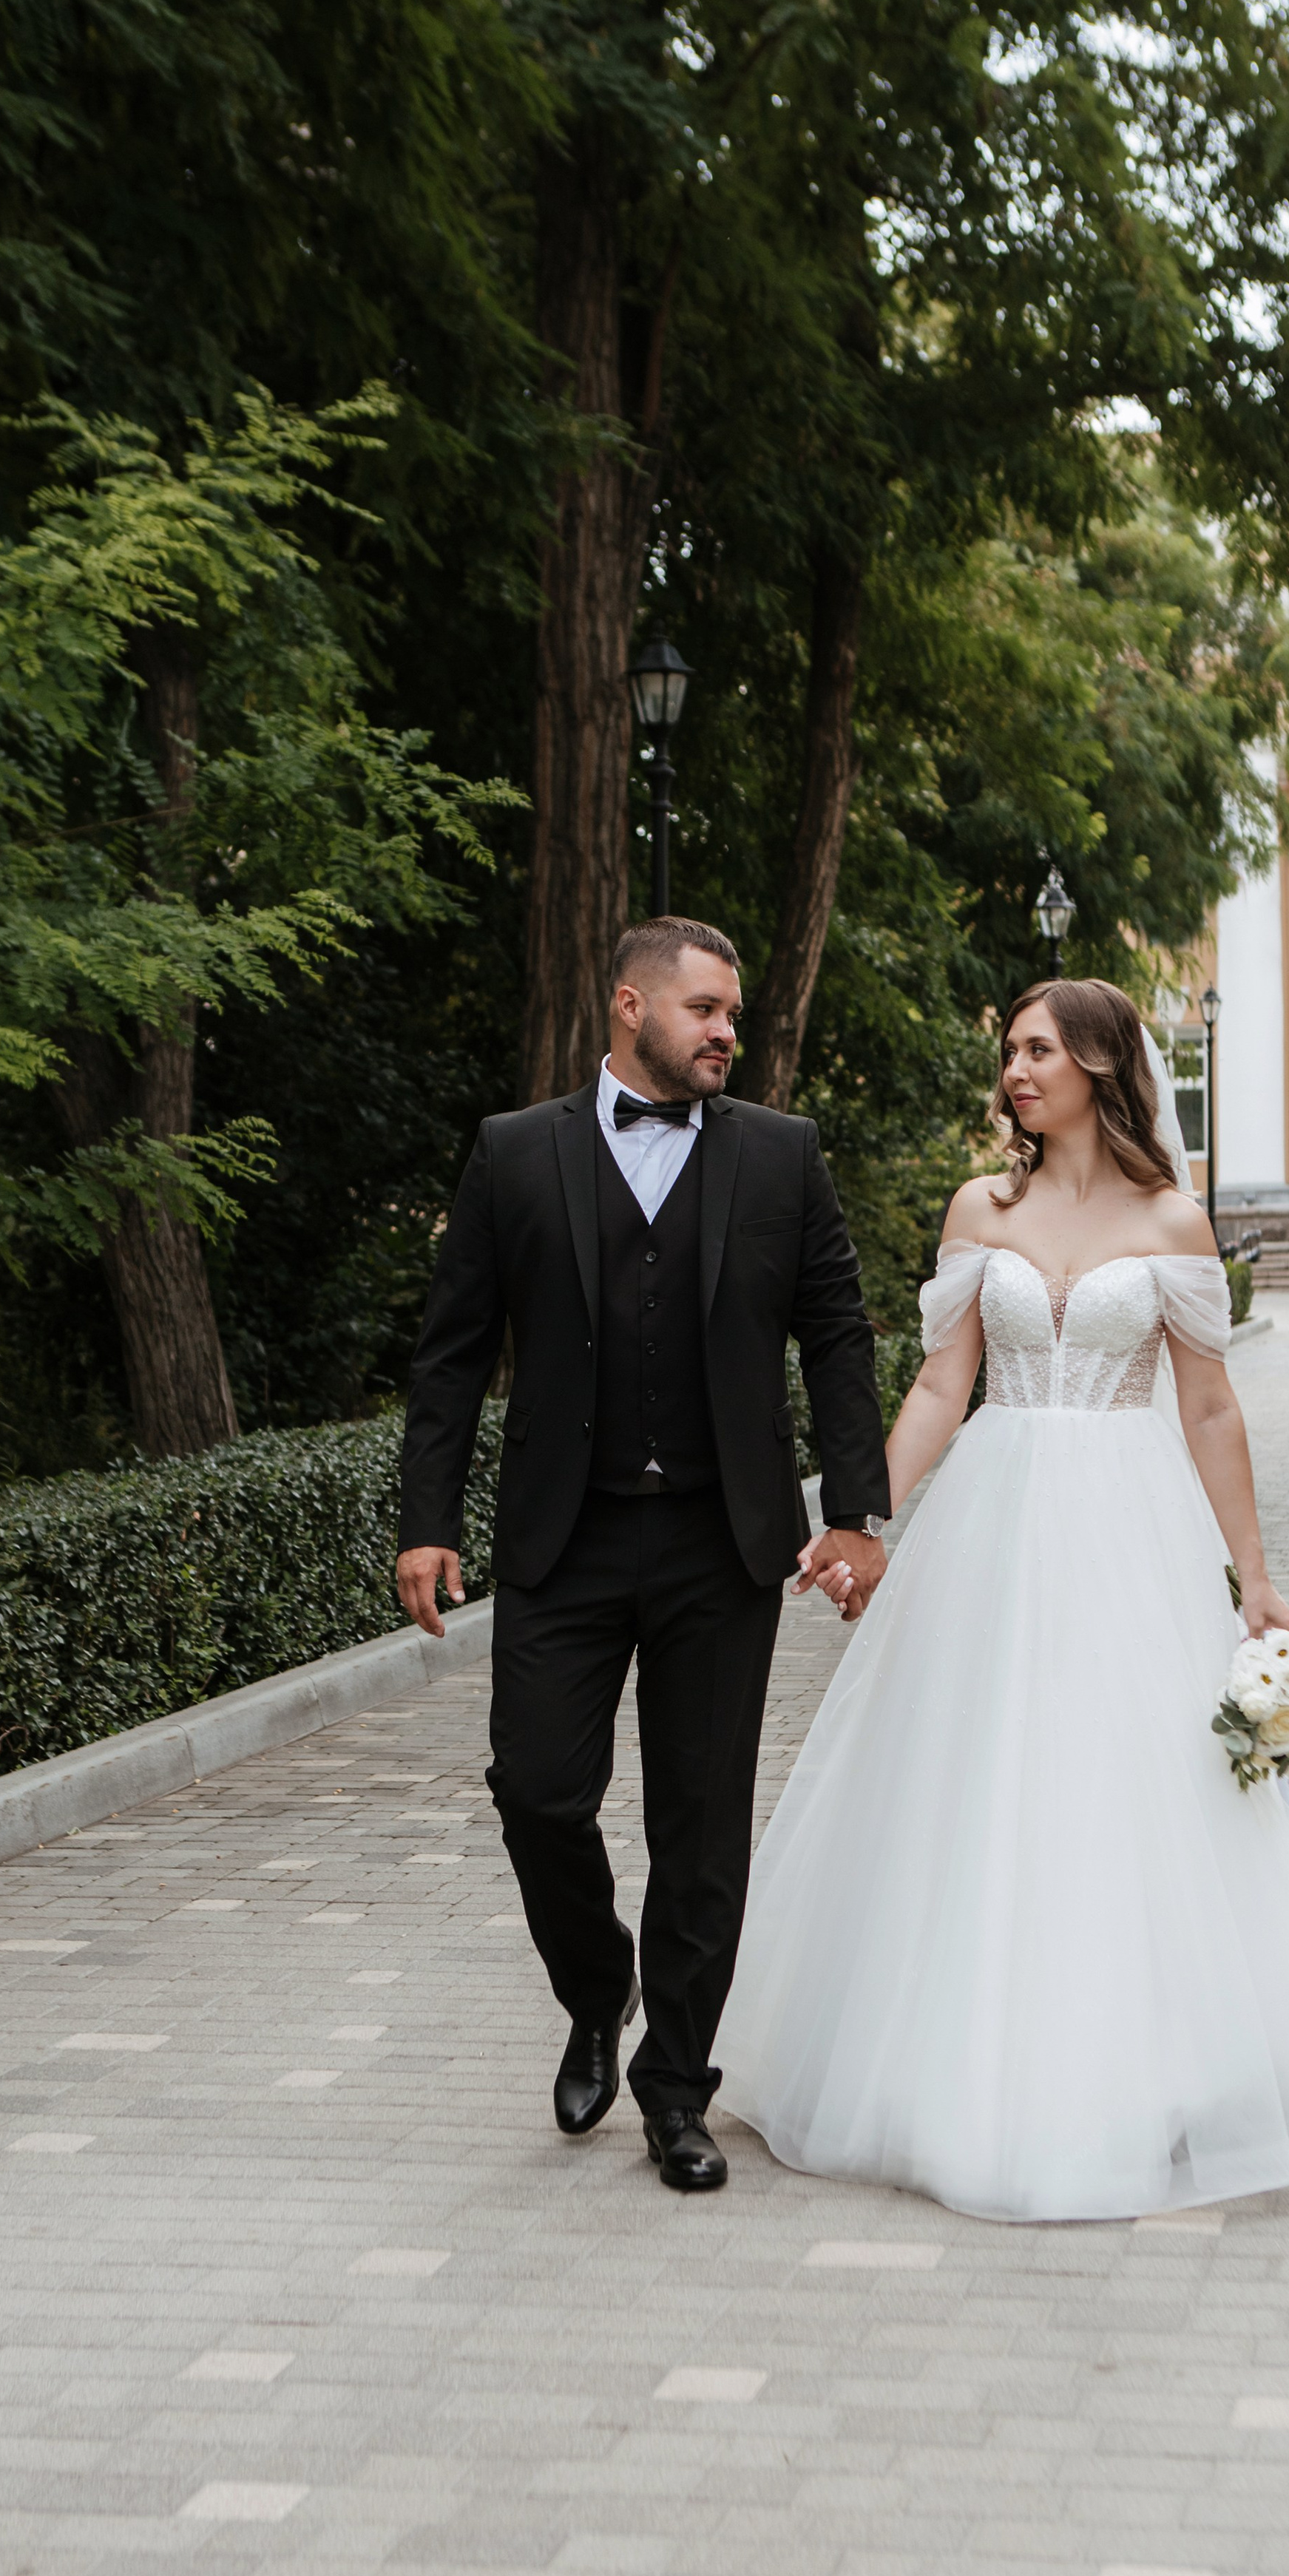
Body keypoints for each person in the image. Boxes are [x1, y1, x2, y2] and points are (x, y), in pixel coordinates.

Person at [717, 977, 1289, 2222]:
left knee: (1130, 1785)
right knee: (976, 1775)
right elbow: (938, 1389)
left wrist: (1257, 1578)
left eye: (1039, 1050)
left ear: (1105, 1068)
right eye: (1010, 1050)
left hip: (1131, 1521)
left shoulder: (1174, 1223)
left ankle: (1155, 2069)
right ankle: (954, 2063)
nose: (1015, 1070)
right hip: (993, 1517)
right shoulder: (981, 1207)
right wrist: (866, 1523)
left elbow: (1212, 1406)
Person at [396, 918, 890, 2192]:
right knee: (537, 1791)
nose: (728, 1030)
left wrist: (853, 1509)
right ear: (631, 1008)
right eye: (706, 1010)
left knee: (701, 1824)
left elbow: (837, 1329)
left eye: (733, 1013)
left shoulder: (783, 1157)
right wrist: (426, 1520)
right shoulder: (516, 1154)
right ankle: (594, 1984)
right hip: (566, 1538)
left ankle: (677, 2089)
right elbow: (453, 1351)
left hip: (723, 1545)